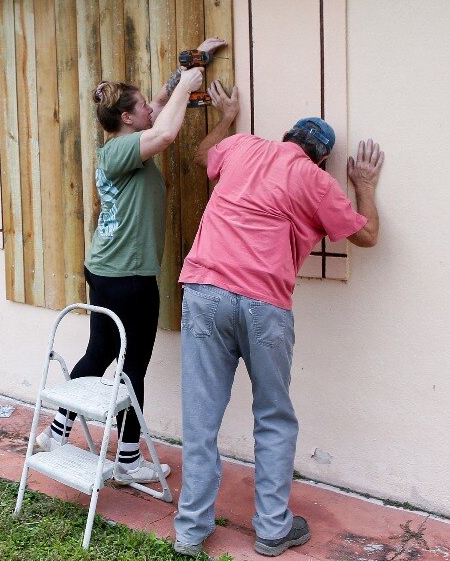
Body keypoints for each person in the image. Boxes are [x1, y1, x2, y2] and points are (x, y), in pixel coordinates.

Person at [171, 100, 385, 557]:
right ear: (321, 157)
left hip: (205, 290)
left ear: (286, 137)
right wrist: (364, 186)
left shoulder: (242, 147)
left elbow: (199, 154)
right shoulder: (315, 180)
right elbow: (366, 236)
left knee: (201, 416)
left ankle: (190, 531)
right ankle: (272, 529)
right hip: (263, 304)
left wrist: (227, 119)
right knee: (272, 416)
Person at [35, 37, 236, 485]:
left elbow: (161, 106)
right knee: (133, 365)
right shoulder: (123, 149)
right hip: (127, 276)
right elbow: (165, 131)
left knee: (101, 351)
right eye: (142, 105)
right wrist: (188, 84)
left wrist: (190, 62)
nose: (152, 106)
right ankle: (128, 461)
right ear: (127, 118)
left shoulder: (121, 145)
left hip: (108, 268)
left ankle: (57, 431)